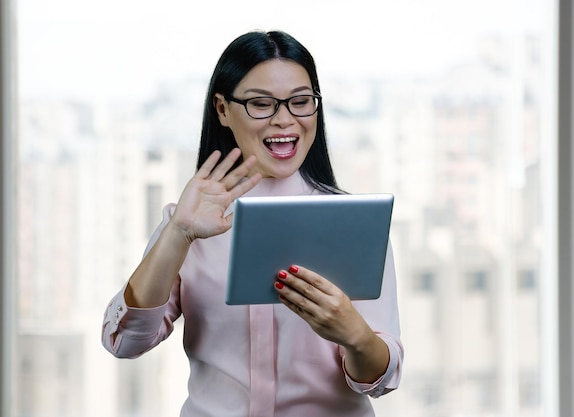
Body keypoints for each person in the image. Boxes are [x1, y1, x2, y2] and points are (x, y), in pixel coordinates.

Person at [101, 30, 403, 417]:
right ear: (223, 109)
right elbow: (125, 342)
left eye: (300, 102)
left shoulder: (355, 223)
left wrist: (354, 335)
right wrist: (177, 233)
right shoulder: (190, 220)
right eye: (262, 104)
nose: (284, 120)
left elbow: (380, 379)